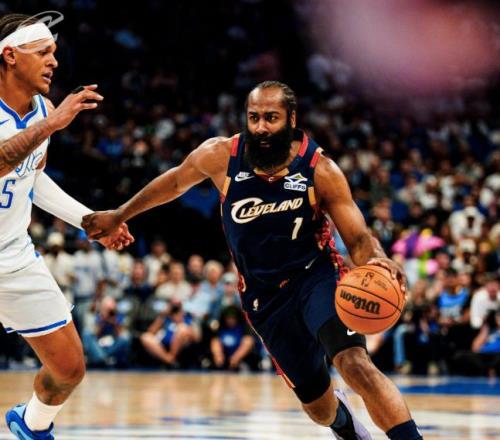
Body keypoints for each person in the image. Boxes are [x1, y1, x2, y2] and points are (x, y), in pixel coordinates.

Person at [84, 81, 422, 439]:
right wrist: (119, 214)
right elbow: (175, 183)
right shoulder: (221, 156)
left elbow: (358, 239)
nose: (261, 126)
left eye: (271, 118)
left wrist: (378, 259)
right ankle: (344, 425)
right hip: (264, 297)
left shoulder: (320, 170)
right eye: (254, 117)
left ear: (291, 120)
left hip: (317, 278)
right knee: (319, 409)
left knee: (355, 365)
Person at [0, 14, 133, 440]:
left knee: (69, 367)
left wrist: (87, 220)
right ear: (10, 55)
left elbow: (31, 176)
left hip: (12, 256)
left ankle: (32, 426)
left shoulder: (41, 109)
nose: (53, 61)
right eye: (43, 52)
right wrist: (52, 124)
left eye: (54, 52)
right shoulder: (48, 117)